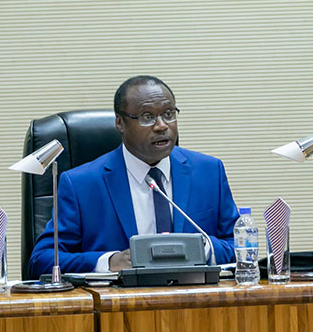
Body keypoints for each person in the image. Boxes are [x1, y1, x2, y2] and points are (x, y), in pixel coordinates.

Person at [27, 75, 239, 277]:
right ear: (120, 123)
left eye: (168, 114)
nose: (161, 126)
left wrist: (204, 249)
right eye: (147, 117)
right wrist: (109, 262)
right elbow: (42, 261)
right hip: (119, 307)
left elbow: (241, 246)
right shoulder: (81, 184)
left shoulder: (208, 171)